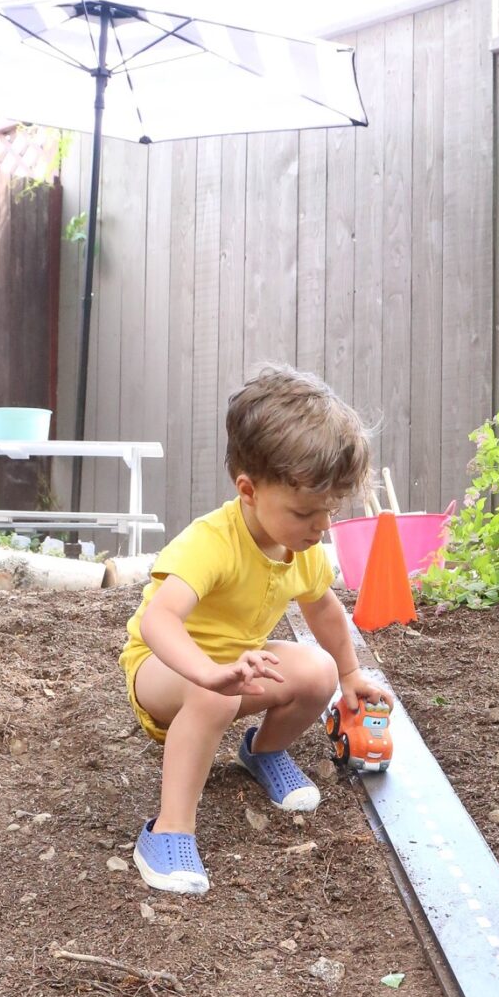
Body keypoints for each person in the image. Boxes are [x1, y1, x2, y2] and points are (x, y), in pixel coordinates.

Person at [120, 365, 389, 895]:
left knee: (316, 672)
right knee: (214, 697)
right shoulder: (211, 543)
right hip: (164, 670)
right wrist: (209, 673)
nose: (322, 528)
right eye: (306, 512)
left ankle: (262, 751)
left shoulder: (300, 545)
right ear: (248, 489)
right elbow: (158, 621)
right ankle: (168, 830)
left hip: (238, 666)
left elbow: (325, 611)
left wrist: (351, 674)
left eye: (330, 511)